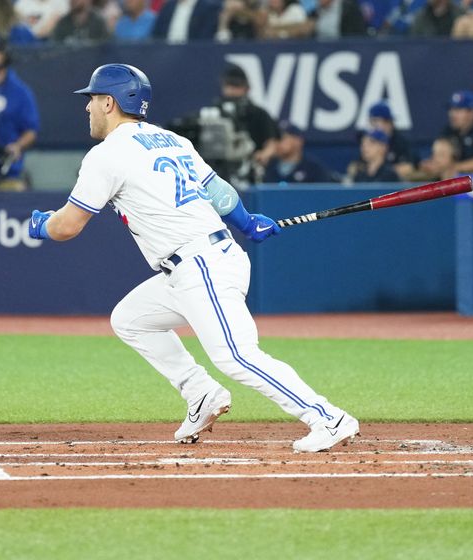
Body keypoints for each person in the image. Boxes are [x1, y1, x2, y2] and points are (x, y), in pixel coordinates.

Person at [27, 63, 359, 452]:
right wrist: (246, 220)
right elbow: (219, 194)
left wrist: (41, 225)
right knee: (131, 320)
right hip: (195, 263)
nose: (87, 108)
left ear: (109, 102)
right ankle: (200, 392)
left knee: (235, 356)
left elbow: (68, 226)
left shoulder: (107, 155)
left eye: (92, 100)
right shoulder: (171, 140)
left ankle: (326, 417)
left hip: (200, 264)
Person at [0, 33, 40, 190]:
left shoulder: (20, 91)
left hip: (7, 171)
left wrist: (17, 146)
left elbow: (31, 130)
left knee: (15, 189)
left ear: (5, 55)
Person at [422, 89, 473, 176]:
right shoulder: (448, 131)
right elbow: (438, 156)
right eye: (451, 109)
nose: (452, 114)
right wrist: (430, 165)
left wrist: (454, 167)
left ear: (472, 113)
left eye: (458, 110)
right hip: (452, 178)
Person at [263, 121, 339, 184]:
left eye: (283, 138)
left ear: (298, 141)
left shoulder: (313, 168)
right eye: (276, 138)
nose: (278, 142)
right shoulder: (267, 166)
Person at [367, 100, 415, 179]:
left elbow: (408, 168)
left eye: (375, 121)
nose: (373, 125)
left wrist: (383, 170)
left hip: (397, 185)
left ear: (388, 122)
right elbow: (358, 167)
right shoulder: (371, 140)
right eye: (371, 122)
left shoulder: (401, 142)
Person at [151, 0, 221, 42]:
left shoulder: (209, 8)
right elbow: (156, 34)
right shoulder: (168, 6)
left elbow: (205, 39)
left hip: (193, 55)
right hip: (164, 53)